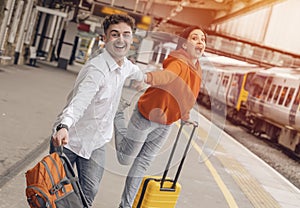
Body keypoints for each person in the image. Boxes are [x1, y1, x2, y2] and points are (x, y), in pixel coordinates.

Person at [50, 14, 145, 206]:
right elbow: (79, 103)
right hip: (69, 139)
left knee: (89, 191)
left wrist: (143, 80)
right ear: (104, 38)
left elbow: (137, 72)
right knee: (55, 192)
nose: (121, 40)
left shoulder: (126, 66)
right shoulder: (97, 70)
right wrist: (64, 125)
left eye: (126, 34)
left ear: (132, 39)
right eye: (114, 34)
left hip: (97, 141)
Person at [114, 25, 207, 208]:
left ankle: (125, 206)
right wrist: (148, 77)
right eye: (195, 38)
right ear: (184, 44)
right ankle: (117, 115)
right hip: (146, 117)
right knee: (124, 159)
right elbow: (167, 76)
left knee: (142, 164)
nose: (200, 42)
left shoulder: (197, 68)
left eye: (203, 39)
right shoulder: (179, 62)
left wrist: (185, 115)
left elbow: (188, 94)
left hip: (166, 124)